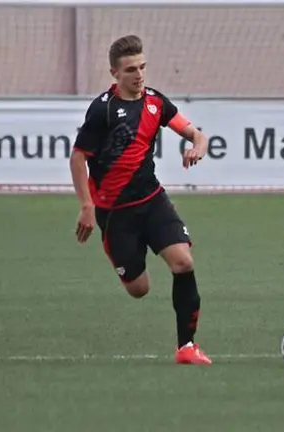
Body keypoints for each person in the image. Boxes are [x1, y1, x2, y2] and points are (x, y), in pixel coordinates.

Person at [69, 35, 212, 365]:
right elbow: (78, 158)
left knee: (183, 262)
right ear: (115, 73)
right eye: (131, 69)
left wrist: (197, 147)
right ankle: (120, 252)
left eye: (142, 67)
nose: (139, 75)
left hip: (152, 201)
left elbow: (196, 134)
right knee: (139, 289)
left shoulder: (155, 103)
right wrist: (87, 206)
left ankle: (186, 347)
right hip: (115, 214)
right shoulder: (103, 110)